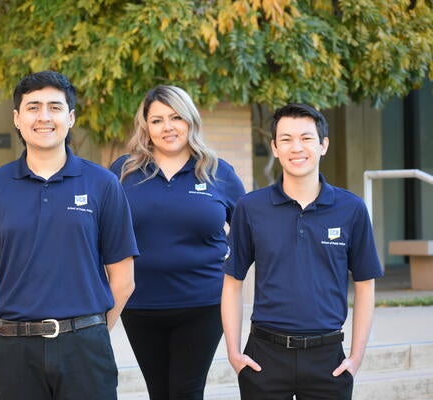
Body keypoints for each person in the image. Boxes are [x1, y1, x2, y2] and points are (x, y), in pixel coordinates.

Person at [0, 70, 139, 400]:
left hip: (85, 349)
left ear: (71, 118)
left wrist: (93, 330)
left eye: (55, 107)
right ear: (17, 119)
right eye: (33, 107)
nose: (44, 117)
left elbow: (123, 279)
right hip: (14, 349)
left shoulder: (102, 184)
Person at [222, 103, 384, 399]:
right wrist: (233, 352)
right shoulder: (250, 208)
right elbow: (232, 282)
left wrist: (357, 356)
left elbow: (365, 284)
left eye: (306, 138)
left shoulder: (352, 209)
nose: (296, 147)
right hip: (264, 357)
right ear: (274, 147)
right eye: (286, 139)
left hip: (327, 359)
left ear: (323, 145)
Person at [110, 85, 246, 399]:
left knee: (186, 391)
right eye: (157, 120)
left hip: (203, 304)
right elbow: (103, 231)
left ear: (190, 121)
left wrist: (231, 278)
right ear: (145, 126)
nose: (167, 127)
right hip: (140, 304)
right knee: (159, 392)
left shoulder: (217, 171)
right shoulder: (124, 172)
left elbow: (248, 232)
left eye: (175, 118)